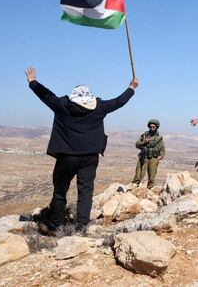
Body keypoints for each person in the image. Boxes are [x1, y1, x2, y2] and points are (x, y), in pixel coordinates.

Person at [24, 66, 138, 235]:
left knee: (60, 190)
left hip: (66, 157)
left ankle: (55, 225)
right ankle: (81, 226)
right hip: (90, 157)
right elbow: (119, 101)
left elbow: (45, 95)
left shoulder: (63, 104)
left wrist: (32, 81)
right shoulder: (99, 106)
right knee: (85, 191)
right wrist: (131, 88)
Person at [131, 119, 165, 189]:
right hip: (144, 156)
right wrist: (144, 142)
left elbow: (162, 148)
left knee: (152, 176)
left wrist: (160, 157)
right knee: (138, 174)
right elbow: (137, 144)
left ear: (156, 127)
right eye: (150, 126)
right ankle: (133, 187)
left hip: (154, 158)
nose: (151, 128)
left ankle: (150, 189)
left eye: (153, 127)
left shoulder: (159, 137)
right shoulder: (144, 135)